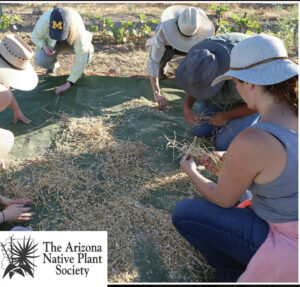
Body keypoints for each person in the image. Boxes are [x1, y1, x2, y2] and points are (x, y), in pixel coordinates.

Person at [172, 34, 298, 282]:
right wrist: (230, 158)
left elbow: (222, 200)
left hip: (288, 243)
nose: (238, 91)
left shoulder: (252, 139)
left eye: (236, 83)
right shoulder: (290, 111)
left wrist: (191, 171)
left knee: (184, 213)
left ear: (250, 83)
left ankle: (230, 270)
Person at [176, 33, 259, 150]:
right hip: (219, 99)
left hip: (250, 104)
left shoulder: (244, 68)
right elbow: (193, 82)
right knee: (200, 132)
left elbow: (257, 105)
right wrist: (187, 107)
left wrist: (227, 115)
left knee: (223, 143)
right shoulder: (199, 55)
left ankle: (258, 124)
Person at [146, 5, 215, 110]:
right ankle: (162, 71)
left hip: (192, 46)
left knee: (196, 61)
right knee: (165, 55)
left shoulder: (197, 21)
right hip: (168, 47)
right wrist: (157, 93)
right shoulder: (163, 31)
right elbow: (153, 61)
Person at [31, 7, 94, 95]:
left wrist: (69, 83)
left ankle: (79, 73)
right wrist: (44, 46)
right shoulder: (45, 20)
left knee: (88, 53)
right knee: (41, 59)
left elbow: (83, 54)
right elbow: (35, 36)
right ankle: (51, 67)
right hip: (53, 43)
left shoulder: (78, 30)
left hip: (72, 41)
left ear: (69, 26)